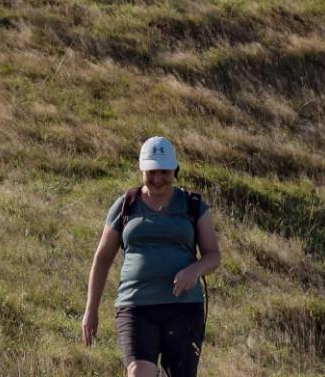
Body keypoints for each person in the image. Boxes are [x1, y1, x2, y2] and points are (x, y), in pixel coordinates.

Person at [82, 137, 222, 377]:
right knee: (137, 372)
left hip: (184, 308)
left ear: (175, 170)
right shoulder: (126, 205)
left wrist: (194, 270)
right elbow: (103, 258)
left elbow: (213, 255)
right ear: (142, 169)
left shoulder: (193, 205)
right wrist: (90, 310)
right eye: (151, 172)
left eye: (164, 172)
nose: (157, 180)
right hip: (136, 306)